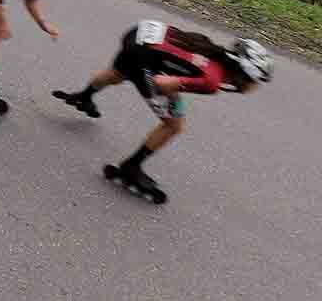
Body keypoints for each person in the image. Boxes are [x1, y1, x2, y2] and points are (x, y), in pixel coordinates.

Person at [53, 20, 272, 201]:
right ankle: (131, 166)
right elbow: (162, 83)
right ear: (246, 74)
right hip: (143, 56)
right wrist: (174, 100)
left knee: (119, 72)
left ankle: (85, 96)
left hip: (142, 32)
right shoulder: (212, 82)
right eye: (257, 81)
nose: (256, 87)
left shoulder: (215, 52)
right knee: (174, 125)